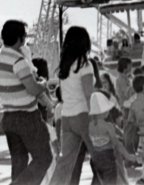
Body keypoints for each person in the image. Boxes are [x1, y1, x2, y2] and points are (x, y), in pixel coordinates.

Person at [0, 19, 53, 185]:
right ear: (19, 38)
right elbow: (33, 89)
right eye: (25, 36)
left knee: (19, 164)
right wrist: (43, 83)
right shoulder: (19, 61)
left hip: (9, 117)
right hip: (27, 117)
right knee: (43, 158)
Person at [49, 26, 95, 185]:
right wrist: (96, 118)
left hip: (67, 117)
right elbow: (89, 94)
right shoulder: (85, 65)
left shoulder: (65, 66)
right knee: (100, 156)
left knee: (65, 164)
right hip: (83, 115)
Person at [88, 90, 130, 185]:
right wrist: (128, 156)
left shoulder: (90, 125)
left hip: (95, 158)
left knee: (98, 180)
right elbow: (117, 144)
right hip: (108, 157)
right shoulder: (108, 125)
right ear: (105, 111)